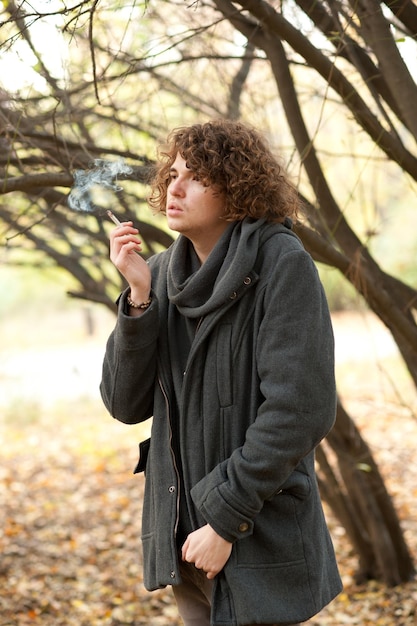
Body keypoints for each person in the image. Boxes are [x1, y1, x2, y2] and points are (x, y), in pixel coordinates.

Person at [100, 119, 342, 626]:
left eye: (196, 176)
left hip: (250, 535)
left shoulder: (282, 264)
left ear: (235, 186)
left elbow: (300, 410)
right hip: (185, 539)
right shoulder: (163, 273)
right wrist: (140, 300)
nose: (175, 187)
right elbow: (124, 404)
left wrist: (225, 521)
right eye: (173, 174)